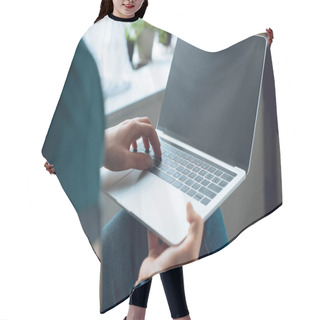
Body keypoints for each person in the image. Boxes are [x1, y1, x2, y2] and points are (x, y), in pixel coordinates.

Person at [44, 1, 274, 319]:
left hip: (154, 147)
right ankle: (169, 315)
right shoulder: (92, 38)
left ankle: (139, 314)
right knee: (154, 220)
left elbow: (202, 65)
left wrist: (253, 49)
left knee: (161, 218)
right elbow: (75, 104)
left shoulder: (149, 34)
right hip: (114, 157)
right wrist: (66, 152)